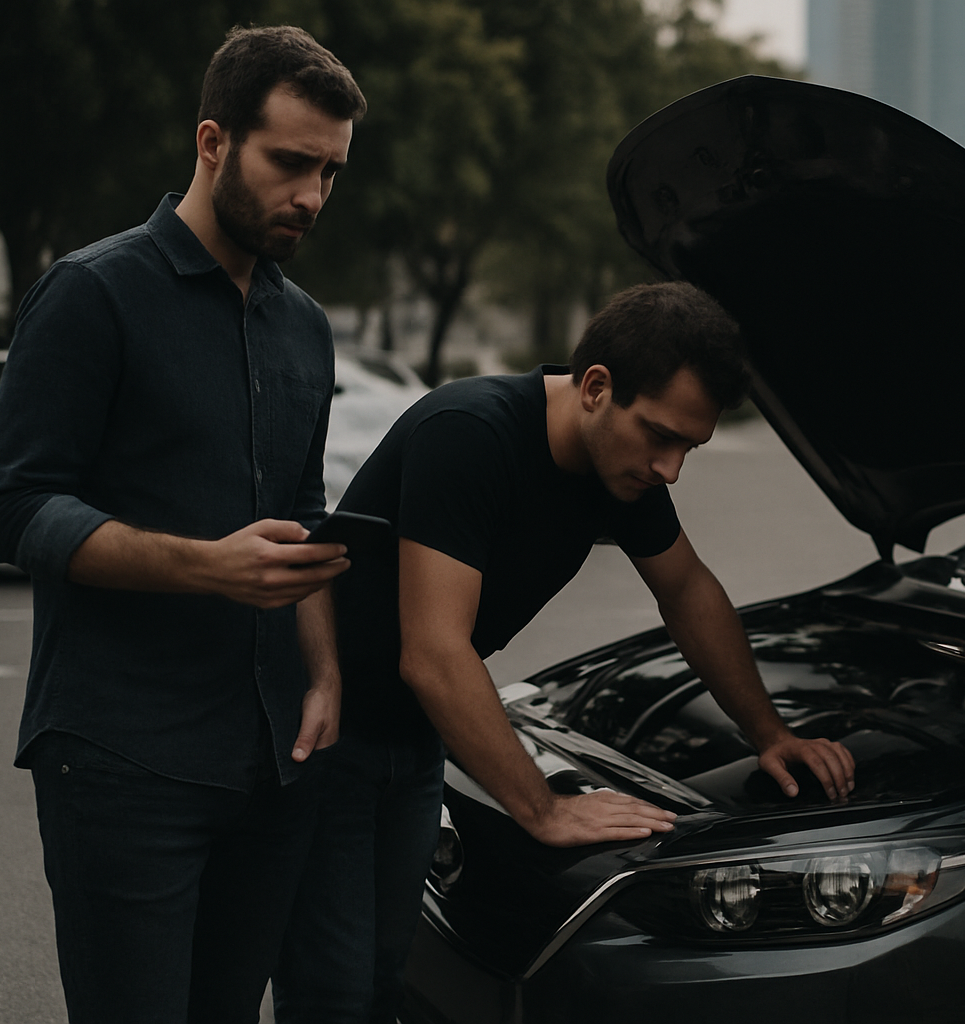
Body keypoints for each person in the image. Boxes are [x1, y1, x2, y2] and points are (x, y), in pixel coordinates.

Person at [272, 281, 858, 1023]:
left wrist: (770, 734)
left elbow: (689, 591)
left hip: (417, 737)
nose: (671, 468)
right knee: (330, 992)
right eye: (660, 436)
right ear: (596, 388)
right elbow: (434, 653)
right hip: (327, 735)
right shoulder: (469, 433)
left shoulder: (620, 468)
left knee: (390, 979)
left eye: (690, 448)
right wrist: (543, 810)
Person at [0, 26, 366, 1023]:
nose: (312, 197)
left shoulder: (307, 328)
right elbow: (14, 508)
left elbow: (304, 519)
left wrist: (324, 677)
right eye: (290, 163)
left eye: (330, 171)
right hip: (121, 760)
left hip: (273, 768)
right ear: (212, 141)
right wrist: (203, 566)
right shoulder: (92, 293)